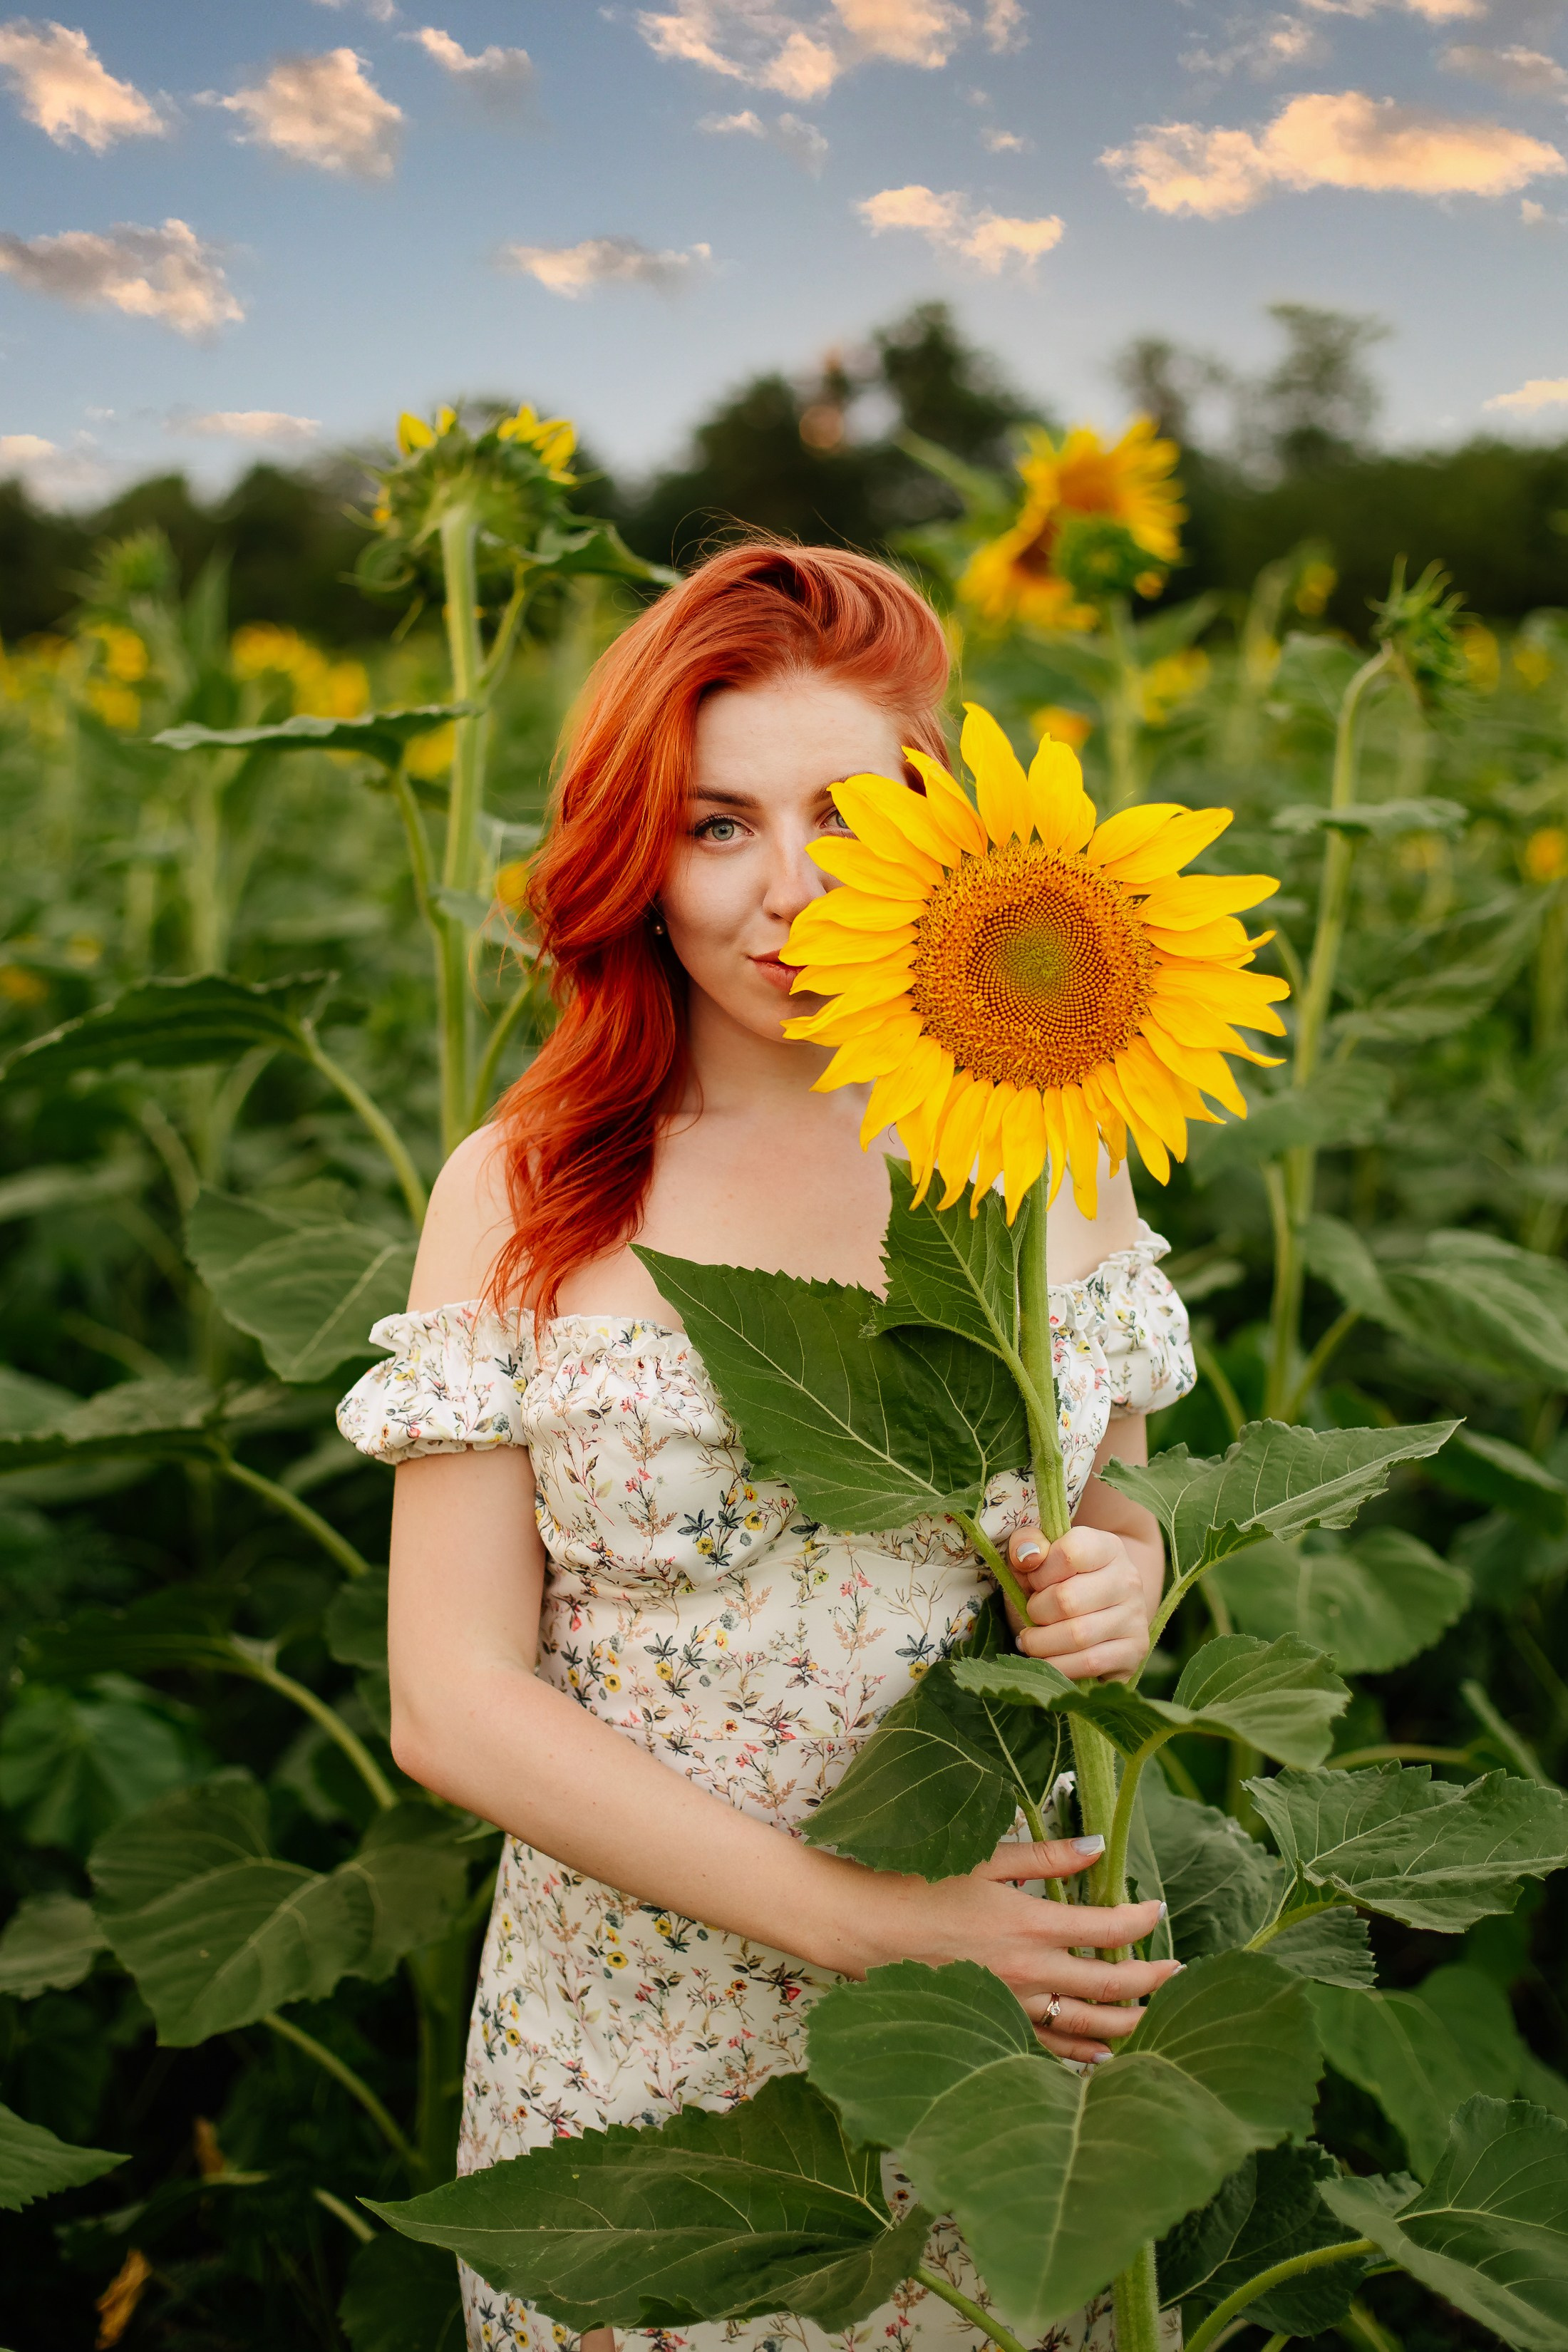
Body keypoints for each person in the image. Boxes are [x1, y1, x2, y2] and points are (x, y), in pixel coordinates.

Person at [338, 542, 1197, 2352]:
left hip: (992, 2036)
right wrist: (873, 1923)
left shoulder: (1046, 1137)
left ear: (942, 831)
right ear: (630, 860)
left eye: (848, 818)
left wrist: (1124, 1583)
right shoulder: (531, 1187)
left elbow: (1114, 1511)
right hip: (634, 2058)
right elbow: (449, 1696)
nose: (789, 895)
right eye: (714, 825)